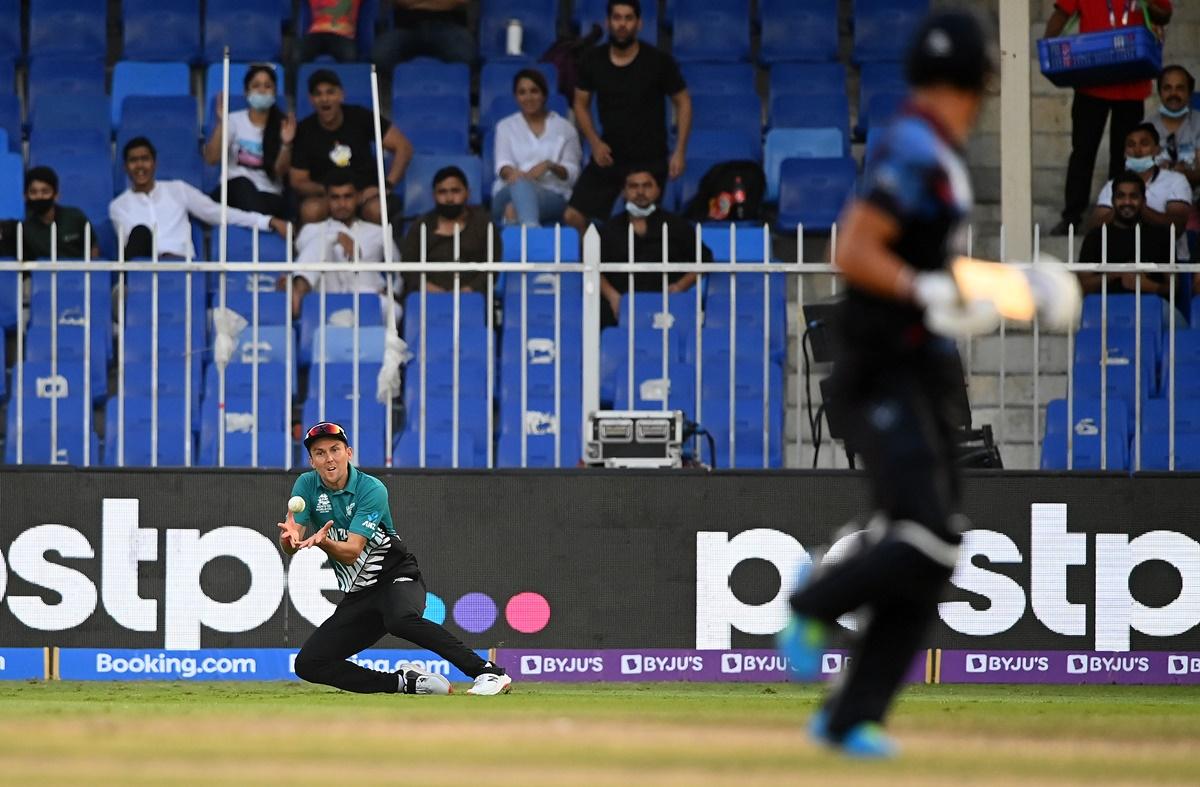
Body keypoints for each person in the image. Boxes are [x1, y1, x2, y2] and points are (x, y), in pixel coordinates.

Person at [777, 11, 1007, 758]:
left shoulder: (933, 147)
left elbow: (930, 272)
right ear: (985, 82)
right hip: (882, 365)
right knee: (923, 535)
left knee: (937, 546)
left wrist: (1008, 286)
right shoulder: (916, 144)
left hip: (918, 365)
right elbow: (856, 249)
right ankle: (814, 601)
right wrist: (925, 289)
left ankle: (851, 716)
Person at [281, 421, 513, 696]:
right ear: (312, 460)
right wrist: (290, 541)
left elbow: (353, 550)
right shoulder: (306, 484)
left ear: (349, 453)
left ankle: (488, 672)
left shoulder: (371, 488)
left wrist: (323, 542)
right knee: (309, 664)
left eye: (335, 449)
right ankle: (405, 683)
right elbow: (293, 537)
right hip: (360, 593)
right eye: (320, 453)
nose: (329, 458)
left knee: (400, 619)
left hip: (397, 577)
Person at [1044, 0, 1173, 236]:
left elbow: (1164, 15)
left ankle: (1120, 217)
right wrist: (1047, 47)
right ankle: (1072, 217)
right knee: (1083, 152)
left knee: (1124, 156)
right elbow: (1062, 14)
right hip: (1090, 83)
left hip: (1132, 82)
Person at [563, 0, 691, 233]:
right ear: (608, 22)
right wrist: (594, 142)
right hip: (609, 155)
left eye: (628, 18)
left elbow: (682, 102)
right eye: (617, 18)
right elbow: (580, 104)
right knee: (573, 216)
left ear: (639, 23)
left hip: (650, 159)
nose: (622, 24)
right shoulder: (593, 60)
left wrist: (680, 151)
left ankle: (635, 268)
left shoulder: (658, 61)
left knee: (642, 228)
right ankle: (592, 265)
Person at [110, 137, 288, 259]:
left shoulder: (178, 189)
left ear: (154, 163)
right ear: (126, 166)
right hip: (143, 270)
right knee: (140, 233)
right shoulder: (118, 206)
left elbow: (217, 213)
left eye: (145, 159)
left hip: (181, 266)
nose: (140, 165)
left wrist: (267, 221)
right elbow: (130, 244)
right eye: (133, 160)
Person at [291, 69, 414, 226]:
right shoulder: (304, 130)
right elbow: (298, 181)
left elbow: (404, 147)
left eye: (330, 92)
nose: (324, 99)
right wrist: (332, 193)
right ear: (311, 100)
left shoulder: (361, 117)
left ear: (341, 95)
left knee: (378, 210)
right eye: (318, 94)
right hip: (326, 195)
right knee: (311, 211)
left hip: (365, 193)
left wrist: (386, 186)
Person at [598, 167, 711, 326]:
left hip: (667, 308)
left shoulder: (676, 225)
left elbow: (705, 260)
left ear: (658, 190)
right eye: (633, 186)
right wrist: (612, 297)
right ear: (624, 191)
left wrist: (681, 286)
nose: (640, 191)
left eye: (647, 185)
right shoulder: (609, 229)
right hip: (619, 309)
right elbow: (592, 268)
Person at [285, 170, 402, 318]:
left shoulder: (378, 232)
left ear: (358, 198)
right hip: (327, 295)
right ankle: (298, 292)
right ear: (327, 200)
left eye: (348, 197)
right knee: (321, 241)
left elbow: (398, 271)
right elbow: (306, 258)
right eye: (335, 198)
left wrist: (391, 292)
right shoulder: (311, 230)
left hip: (365, 294)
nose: (342, 203)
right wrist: (334, 238)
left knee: (394, 310)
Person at [492, 68, 583, 227]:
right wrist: (515, 174)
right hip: (508, 190)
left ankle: (526, 235)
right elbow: (502, 164)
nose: (528, 97)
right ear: (516, 97)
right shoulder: (505, 126)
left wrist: (549, 165)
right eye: (522, 92)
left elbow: (572, 173)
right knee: (520, 185)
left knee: (512, 211)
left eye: (534, 91)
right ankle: (533, 235)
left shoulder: (565, 128)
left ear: (544, 94)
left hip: (551, 196)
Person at [1089, 123, 1191, 261]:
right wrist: (1122, 208)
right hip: (1123, 261)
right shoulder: (1112, 185)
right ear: (1125, 152)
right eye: (1131, 145)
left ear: (1157, 150)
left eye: (1144, 144)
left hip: (1171, 261)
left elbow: (1177, 227)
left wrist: (1139, 208)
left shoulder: (1176, 181)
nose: (1137, 151)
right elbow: (1094, 228)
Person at [203, 64, 295, 218]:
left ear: (274, 92)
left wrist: (286, 144)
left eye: (268, 86)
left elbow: (280, 172)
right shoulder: (233, 120)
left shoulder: (283, 125)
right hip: (232, 193)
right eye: (256, 86)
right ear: (246, 92)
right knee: (242, 183)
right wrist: (222, 123)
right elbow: (211, 159)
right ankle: (268, 223)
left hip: (268, 195)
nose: (262, 90)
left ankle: (264, 222)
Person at [401, 165, 502, 294]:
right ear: (434, 195)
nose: (449, 198)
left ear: (467, 193)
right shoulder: (421, 226)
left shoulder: (484, 225)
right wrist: (429, 288)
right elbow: (407, 268)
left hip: (472, 300)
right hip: (427, 299)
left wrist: (468, 290)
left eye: (455, 191)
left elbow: (492, 268)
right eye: (442, 192)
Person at [1079, 172, 1174, 294]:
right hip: (1104, 308)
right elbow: (1081, 286)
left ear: (1143, 200)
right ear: (1113, 200)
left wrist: (1147, 285)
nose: (1127, 202)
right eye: (1121, 196)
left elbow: (1174, 289)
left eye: (1133, 196)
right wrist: (1116, 273)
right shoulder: (1096, 237)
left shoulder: (1161, 236)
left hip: (1153, 308)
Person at [372, 0, 474, 73]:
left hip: (449, 27)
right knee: (381, 56)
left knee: (467, 56)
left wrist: (416, 3)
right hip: (407, 28)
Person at [22, 166, 100, 260]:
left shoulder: (75, 217)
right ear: (25, 196)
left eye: (45, 191)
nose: (39, 196)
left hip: (79, 272)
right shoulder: (23, 227)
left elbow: (93, 247)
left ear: (56, 195)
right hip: (43, 274)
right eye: (33, 192)